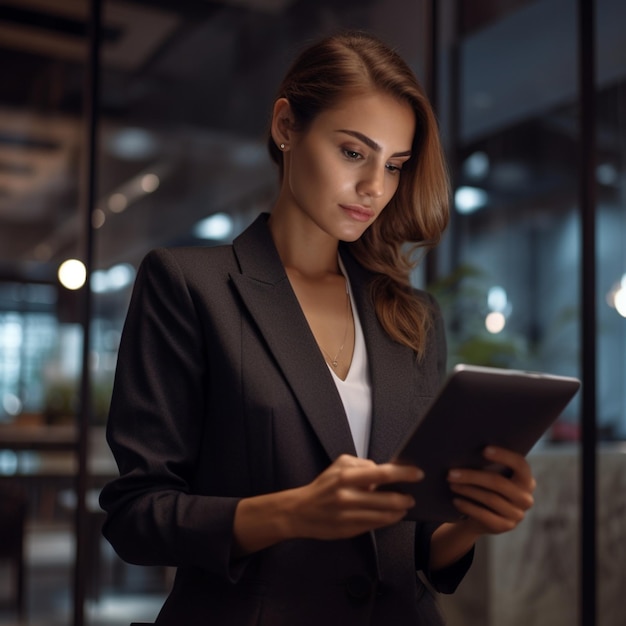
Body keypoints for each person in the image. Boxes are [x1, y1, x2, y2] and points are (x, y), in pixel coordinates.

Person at [99, 30, 536, 625]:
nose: (375, 188)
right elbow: (136, 516)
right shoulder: (188, 285)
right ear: (286, 125)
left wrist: (473, 522)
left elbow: (418, 546)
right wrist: (291, 513)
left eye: (395, 165)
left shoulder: (411, 318)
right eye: (354, 152)